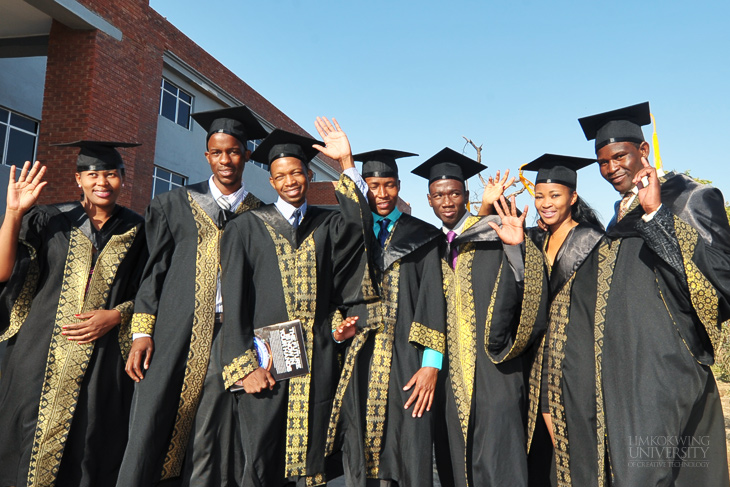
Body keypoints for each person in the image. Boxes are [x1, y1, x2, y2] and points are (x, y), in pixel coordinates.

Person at [570, 102, 730, 485]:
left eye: (619, 156)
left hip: (664, 369)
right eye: (603, 162)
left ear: (644, 150)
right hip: (623, 369)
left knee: (646, 474)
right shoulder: (618, 214)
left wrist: (657, 214)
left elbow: (721, 278)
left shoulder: (691, 198)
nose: (611, 169)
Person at [117, 105, 267, 487]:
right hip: (173, 332)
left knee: (211, 430)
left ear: (247, 154)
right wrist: (142, 332)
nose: (225, 160)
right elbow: (152, 274)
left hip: (230, 336)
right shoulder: (173, 205)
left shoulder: (262, 216)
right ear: (206, 156)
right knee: (152, 419)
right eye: (217, 152)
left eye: (233, 151)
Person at [219, 121, 371, 486]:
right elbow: (234, 303)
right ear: (271, 182)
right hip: (266, 362)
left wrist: (346, 162)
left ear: (308, 175)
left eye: (297, 172)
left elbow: (359, 225)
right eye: (281, 175)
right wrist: (243, 366)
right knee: (261, 456)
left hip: (316, 361)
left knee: (311, 460)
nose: (291, 181)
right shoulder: (246, 227)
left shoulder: (328, 223)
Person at [0, 141, 146, 487]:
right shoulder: (49, 219)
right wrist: (14, 213)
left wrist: (117, 315)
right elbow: (3, 272)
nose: (102, 182)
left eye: (111, 174)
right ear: (78, 178)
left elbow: (151, 289)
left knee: (91, 444)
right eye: (93, 174)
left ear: (123, 179)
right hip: (39, 354)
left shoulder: (139, 230)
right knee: (25, 436)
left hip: (103, 360)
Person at [412, 148, 546, 487]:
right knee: (456, 463)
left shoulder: (494, 233)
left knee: (500, 458)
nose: (447, 201)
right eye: (439, 195)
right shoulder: (429, 247)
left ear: (466, 196)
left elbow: (526, 287)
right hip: (448, 378)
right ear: (428, 200)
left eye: (454, 193)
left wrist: (515, 248)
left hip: (494, 369)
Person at [326, 148, 447, 487]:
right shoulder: (347, 233)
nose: (381, 194)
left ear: (399, 185)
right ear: (362, 187)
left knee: (408, 446)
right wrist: (339, 328)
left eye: (389, 185)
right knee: (359, 449)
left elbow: (432, 300)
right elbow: (333, 292)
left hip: (408, 359)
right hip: (359, 356)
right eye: (373, 185)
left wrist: (431, 364)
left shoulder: (423, 237)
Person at [517, 154, 605, 486]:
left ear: (572, 197)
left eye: (554, 195)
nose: (545, 203)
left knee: (576, 442)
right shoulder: (535, 239)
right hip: (539, 359)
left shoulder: (592, 241)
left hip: (577, 358)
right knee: (547, 446)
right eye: (539, 196)